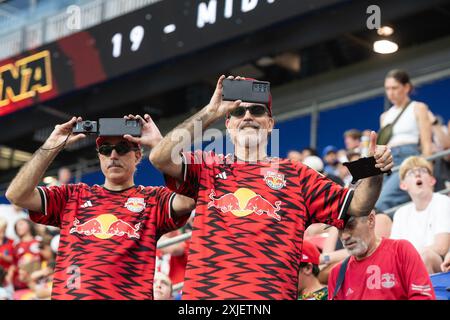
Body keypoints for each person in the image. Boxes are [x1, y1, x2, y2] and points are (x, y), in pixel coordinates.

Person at [149, 75, 393, 299]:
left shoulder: (298, 175)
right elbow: (159, 157)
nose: (247, 117)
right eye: (238, 111)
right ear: (228, 124)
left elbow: (359, 205)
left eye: (256, 110)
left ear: (269, 123)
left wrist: (374, 171)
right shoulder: (206, 167)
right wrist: (211, 110)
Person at [5, 115, 195, 300]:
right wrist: (51, 146)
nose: (113, 155)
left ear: (137, 155)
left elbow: (187, 201)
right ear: (99, 156)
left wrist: (159, 145)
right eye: (105, 149)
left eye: (122, 148)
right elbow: (16, 195)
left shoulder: (153, 199)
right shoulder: (72, 196)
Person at [328, 210, 435, 300]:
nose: (344, 236)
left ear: (370, 220)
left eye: (350, 225)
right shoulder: (337, 274)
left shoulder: (401, 250)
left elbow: (423, 297)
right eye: (339, 229)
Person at [375, 69, 433, 213]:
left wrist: (428, 170)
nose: (391, 93)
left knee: (383, 202)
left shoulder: (418, 107)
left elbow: (426, 142)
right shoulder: (384, 116)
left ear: (406, 87)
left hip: (408, 157)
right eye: (387, 89)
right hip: (387, 161)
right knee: (374, 201)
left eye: (395, 88)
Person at [390, 156, 450, 274]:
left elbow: (441, 247)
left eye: (423, 170)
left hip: (440, 266)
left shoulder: (442, 201)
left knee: (426, 256)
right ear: (403, 185)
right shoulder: (400, 213)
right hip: (408, 268)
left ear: (432, 180)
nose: (417, 174)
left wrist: (407, 259)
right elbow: (394, 252)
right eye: (411, 173)